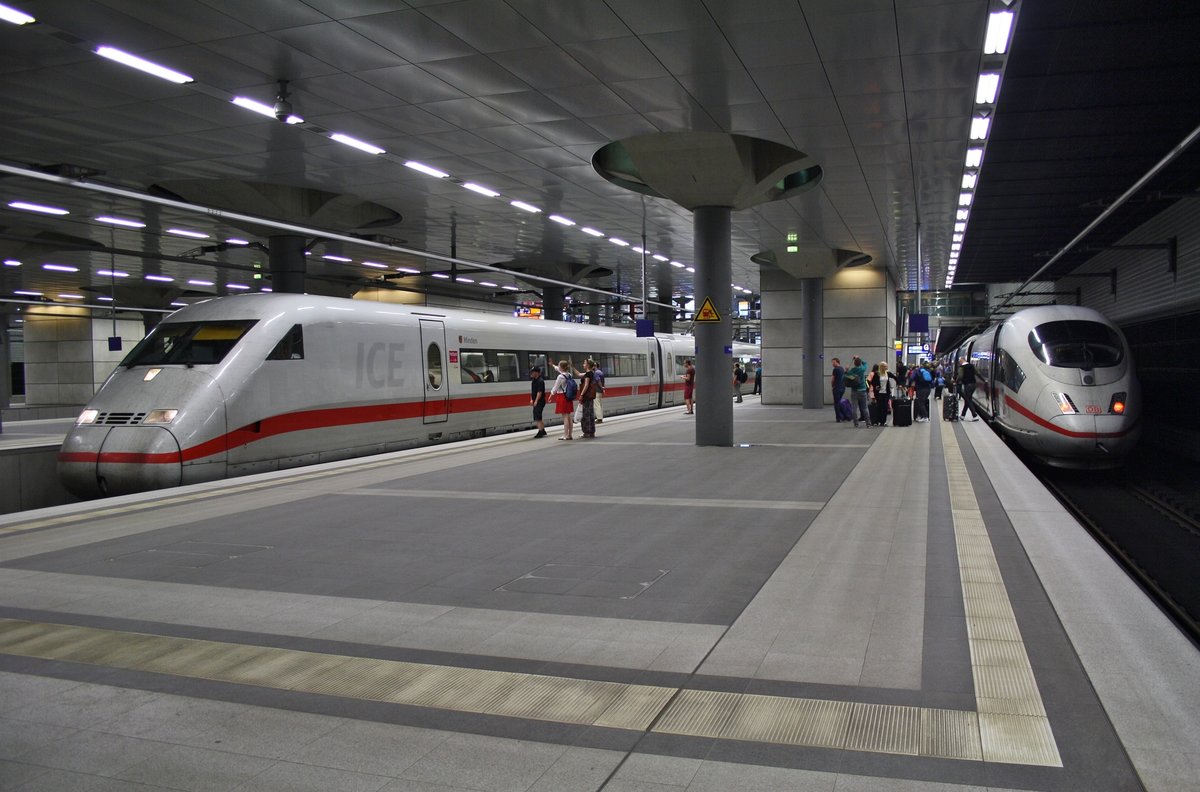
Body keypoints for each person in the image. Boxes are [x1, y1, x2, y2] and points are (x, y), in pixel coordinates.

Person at [549, 360, 575, 440]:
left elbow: (555, 388)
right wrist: (553, 365)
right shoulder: (569, 375)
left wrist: (551, 395)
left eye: (559, 365)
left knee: (565, 417)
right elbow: (558, 369)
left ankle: (565, 435)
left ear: (561, 367)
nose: (558, 367)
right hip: (568, 397)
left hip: (562, 397)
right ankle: (570, 435)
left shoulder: (560, 377)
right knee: (569, 416)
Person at [847, 355, 870, 427]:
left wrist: (847, 369)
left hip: (854, 390)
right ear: (860, 363)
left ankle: (856, 423)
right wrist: (858, 358)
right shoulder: (862, 369)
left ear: (854, 363)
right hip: (863, 390)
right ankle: (868, 424)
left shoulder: (852, 370)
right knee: (865, 408)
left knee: (854, 408)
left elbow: (846, 375)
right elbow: (865, 363)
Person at [578, 359, 597, 437]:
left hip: (586, 396)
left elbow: (586, 385)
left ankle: (587, 432)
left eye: (584, 363)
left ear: (588, 365)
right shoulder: (591, 373)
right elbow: (579, 374)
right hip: (590, 396)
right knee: (590, 413)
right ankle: (591, 431)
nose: (583, 364)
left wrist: (581, 395)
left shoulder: (588, 374)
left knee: (586, 414)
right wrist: (572, 367)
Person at [529, 366, 547, 438]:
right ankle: (543, 430)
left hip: (540, 401)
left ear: (536, 372)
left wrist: (536, 401)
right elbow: (533, 392)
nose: (531, 373)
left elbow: (539, 392)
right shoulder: (534, 381)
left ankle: (540, 431)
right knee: (538, 416)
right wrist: (531, 399)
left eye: (532, 372)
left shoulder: (540, 381)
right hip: (536, 400)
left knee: (537, 417)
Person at [874, 362, 894, 426]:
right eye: (884, 366)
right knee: (879, 407)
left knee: (885, 407)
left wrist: (900, 384)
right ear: (881, 367)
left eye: (886, 366)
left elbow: (895, 377)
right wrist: (876, 386)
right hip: (879, 393)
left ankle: (884, 421)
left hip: (886, 393)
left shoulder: (888, 373)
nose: (886, 367)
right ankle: (878, 421)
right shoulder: (877, 374)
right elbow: (871, 382)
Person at [831, 357, 846, 422]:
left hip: (837, 388)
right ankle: (842, 416)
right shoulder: (842, 369)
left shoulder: (835, 369)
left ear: (837, 362)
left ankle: (838, 418)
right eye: (832, 362)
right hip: (842, 388)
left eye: (834, 362)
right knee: (839, 402)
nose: (832, 363)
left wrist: (832, 386)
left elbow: (832, 379)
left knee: (836, 403)